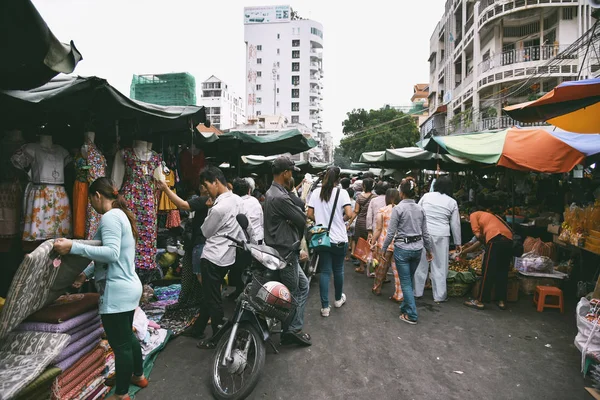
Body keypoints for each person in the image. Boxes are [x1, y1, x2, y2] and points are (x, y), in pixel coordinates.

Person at [53, 177, 146, 400]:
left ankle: (121, 394)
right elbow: (107, 254)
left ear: (97, 196)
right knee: (127, 336)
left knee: (120, 343)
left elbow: (111, 253)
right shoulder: (120, 215)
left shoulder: (110, 217)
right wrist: (86, 273)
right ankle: (138, 375)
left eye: (91, 201)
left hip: (117, 291)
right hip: (128, 286)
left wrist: (73, 246)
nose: (91, 206)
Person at [194, 166, 244, 348]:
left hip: (212, 257)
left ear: (215, 181)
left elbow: (205, 231)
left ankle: (218, 338)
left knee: (213, 299)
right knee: (210, 294)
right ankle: (198, 328)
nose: (207, 190)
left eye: (207, 185)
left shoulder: (219, 207)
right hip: (227, 256)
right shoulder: (238, 200)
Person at [264, 156, 311, 346]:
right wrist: (292, 220)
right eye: (291, 172)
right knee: (291, 292)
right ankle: (289, 331)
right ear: (285, 173)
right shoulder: (281, 197)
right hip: (285, 252)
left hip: (281, 250)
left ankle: (294, 327)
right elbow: (302, 219)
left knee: (303, 286)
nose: (291, 175)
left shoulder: (272, 192)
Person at [382, 177, 433, 325]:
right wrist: (429, 250)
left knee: (405, 282)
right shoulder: (420, 209)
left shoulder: (398, 209)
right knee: (408, 280)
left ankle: (411, 314)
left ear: (401, 192)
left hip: (402, 250)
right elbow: (425, 233)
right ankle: (405, 306)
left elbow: (390, 233)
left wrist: (384, 249)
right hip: (417, 249)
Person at [307, 167, 354, 317]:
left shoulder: (316, 193)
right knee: (338, 269)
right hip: (339, 238)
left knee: (325, 271)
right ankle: (338, 299)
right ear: (338, 179)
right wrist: (341, 220)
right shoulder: (343, 193)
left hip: (322, 237)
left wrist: (321, 221)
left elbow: (309, 214)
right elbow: (349, 214)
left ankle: (325, 307)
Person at [414, 176, 461, 303]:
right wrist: (458, 243)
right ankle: (439, 295)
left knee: (421, 263)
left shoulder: (426, 196)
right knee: (440, 265)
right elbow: (455, 224)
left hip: (424, 233)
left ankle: (417, 292)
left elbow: (417, 213)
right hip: (442, 235)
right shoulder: (452, 202)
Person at [461, 211, 513, 310]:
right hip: (508, 240)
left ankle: (479, 300)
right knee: (502, 271)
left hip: (495, 239)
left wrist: (464, 251)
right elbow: (481, 240)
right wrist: (466, 251)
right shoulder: (490, 217)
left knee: (487, 271)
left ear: (467, 214)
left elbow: (477, 235)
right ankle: (501, 301)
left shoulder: (473, 215)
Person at [371, 188, 403, 302]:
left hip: (384, 243)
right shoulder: (401, 210)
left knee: (381, 268)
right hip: (399, 243)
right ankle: (399, 293)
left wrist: (373, 241)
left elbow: (379, 228)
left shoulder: (383, 210)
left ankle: (377, 288)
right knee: (397, 270)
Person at [349, 177, 375, 274]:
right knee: (370, 244)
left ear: (363, 186)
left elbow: (356, 211)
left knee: (360, 243)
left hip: (360, 222)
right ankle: (371, 266)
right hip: (371, 223)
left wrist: (349, 223)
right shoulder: (374, 197)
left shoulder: (359, 197)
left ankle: (361, 266)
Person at [345, 187, 356, 261]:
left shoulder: (346, 202)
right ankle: (352, 252)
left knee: (346, 239)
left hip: (347, 222)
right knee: (353, 238)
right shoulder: (355, 202)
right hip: (354, 221)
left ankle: (346, 256)